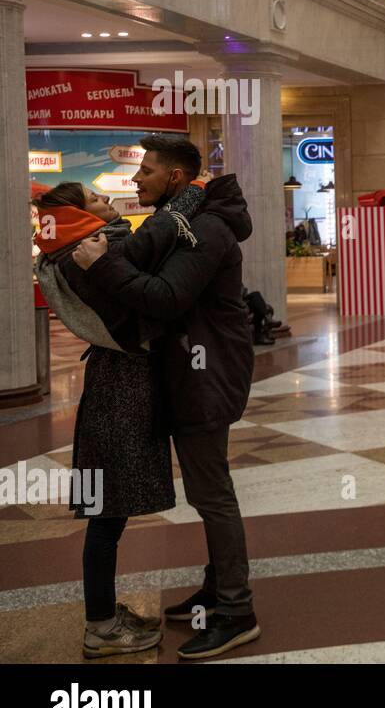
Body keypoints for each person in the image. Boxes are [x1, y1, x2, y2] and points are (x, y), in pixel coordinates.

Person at [73, 135, 258, 660]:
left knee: (212, 493)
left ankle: (237, 610)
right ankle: (216, 588)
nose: (136, 180)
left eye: (147, 171)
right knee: (207, 492)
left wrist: (101, 265)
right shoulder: (180, 223)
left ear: (175, 178)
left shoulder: (206, 227)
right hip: (185, 371)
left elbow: (168, 296)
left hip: (206, 374)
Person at [33, 179, 204, 658]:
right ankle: (101, 628)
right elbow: (154, 236)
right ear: (76, 215)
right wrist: (195, 191)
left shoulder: (62, 254)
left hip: (110, 386)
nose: (108, 202)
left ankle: (103, 615)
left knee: (107, 513)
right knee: (107, 517)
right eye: (95, 199)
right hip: (119, 392)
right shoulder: (90, 251)